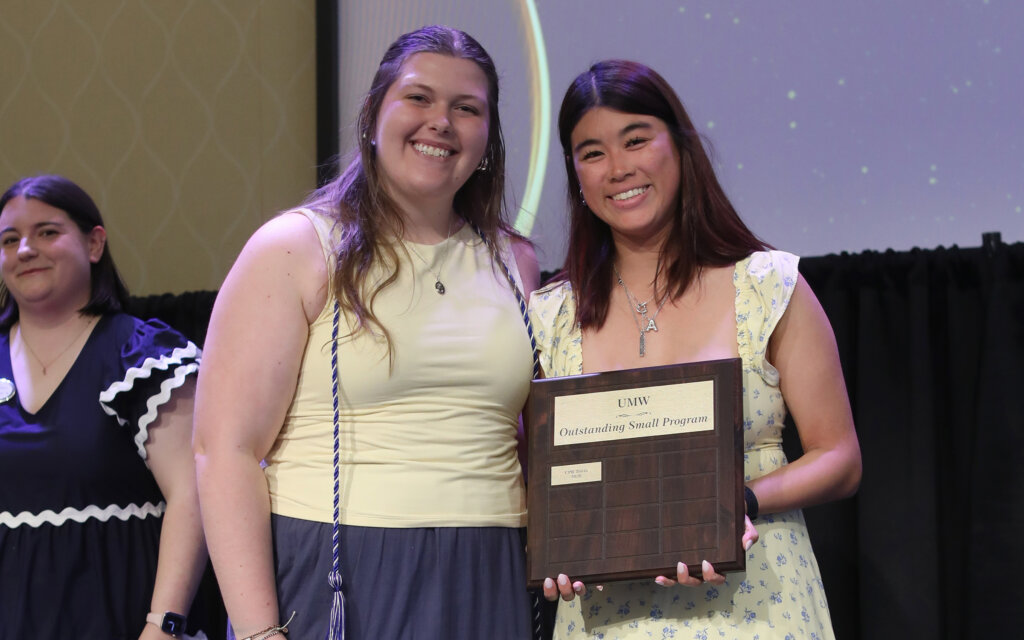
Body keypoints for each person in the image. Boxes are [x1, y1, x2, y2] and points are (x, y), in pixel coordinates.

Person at [193, 25, 540, 640]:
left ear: (488, 138)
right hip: (342, 563)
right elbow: (225, 451)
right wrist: (255, 631)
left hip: (492, 565)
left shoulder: (517, 261)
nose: (442, 121)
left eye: (467, 108)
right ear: (373, 114)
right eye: (418, 98)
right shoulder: (296, 246)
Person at [527, 60, 862, 639]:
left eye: (636, 139)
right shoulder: (551, 315)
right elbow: (533, 472)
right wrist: (553, 539)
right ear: (575, 175)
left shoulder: (767, 285)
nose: (619, 168)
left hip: (758, 606)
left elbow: (839, 456)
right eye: (592, 152)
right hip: (609, 619)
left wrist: (739, 503)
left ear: (679, 148)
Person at [0, 175, 207, 639]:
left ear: (94, 244)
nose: (26, 250)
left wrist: (164, 625)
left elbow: (192, 493)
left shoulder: (143, 355)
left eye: (47, 232)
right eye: (9, 240)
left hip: (123, 616)